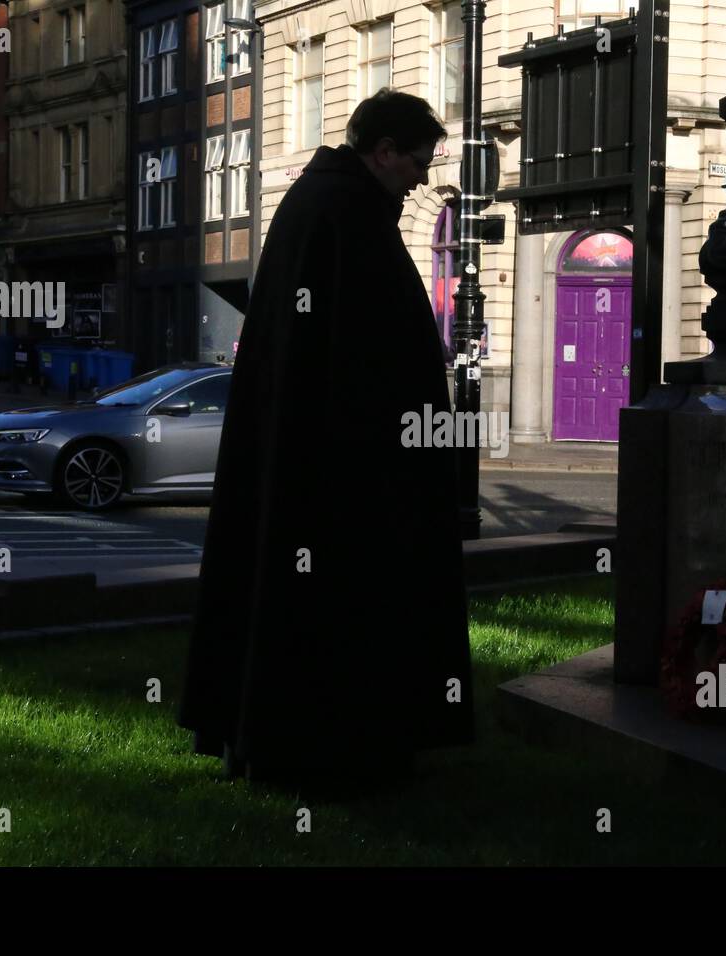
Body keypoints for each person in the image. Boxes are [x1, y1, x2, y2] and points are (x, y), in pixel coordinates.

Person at [179, 89, 475, 788]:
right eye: (418, 161)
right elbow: (365, 360)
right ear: (384, 152)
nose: (423, 178)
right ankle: (331, 749)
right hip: (344, 473)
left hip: (307, 457)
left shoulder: (323, 205)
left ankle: (257, 736)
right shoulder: (346, 213)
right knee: (333, 609)